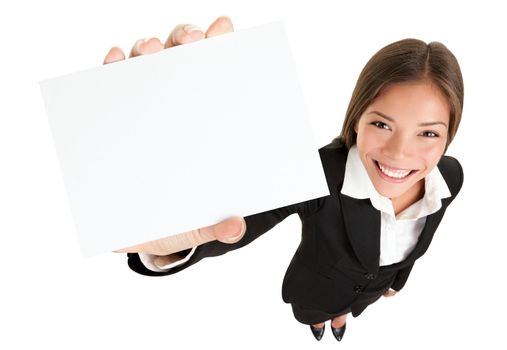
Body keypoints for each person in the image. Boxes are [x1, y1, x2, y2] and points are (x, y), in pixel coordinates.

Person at [110, 16, 464, 342]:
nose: (399, 153)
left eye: (428, 134)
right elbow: (245, 219)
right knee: (317, 313)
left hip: (370, 293)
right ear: (357, 119)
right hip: (314, 293)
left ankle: (340, 317)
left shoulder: (450, 176)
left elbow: (415, 241)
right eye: (382, 124)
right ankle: (320, 320)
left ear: (448, 136)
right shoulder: (319, 173)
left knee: (345, 311)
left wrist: (396, 282)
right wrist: (165, 229)